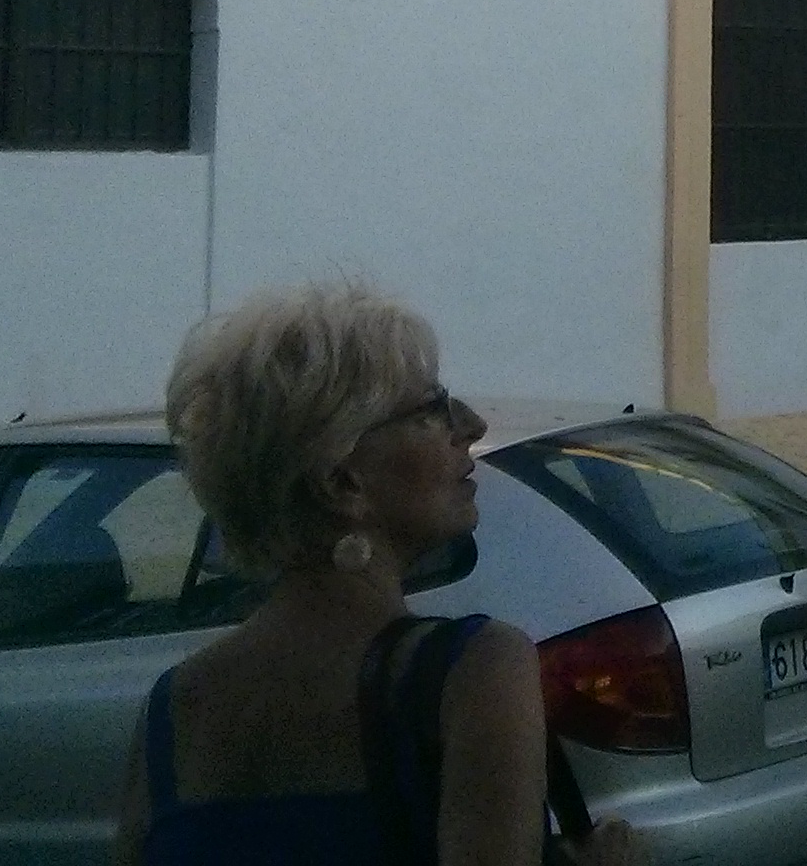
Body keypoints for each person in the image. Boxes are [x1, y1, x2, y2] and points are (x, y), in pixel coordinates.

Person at [115, 283, 633, 866]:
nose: (472, 424)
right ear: (342, 483)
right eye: (432, 409)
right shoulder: (472, 671)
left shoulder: (172, 709)